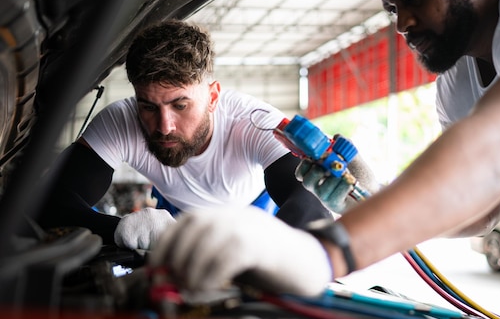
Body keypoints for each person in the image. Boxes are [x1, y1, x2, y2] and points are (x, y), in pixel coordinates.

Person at [149, 0, 500, 319]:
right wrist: (372, 198)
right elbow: (482, 209)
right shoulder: (457, 85)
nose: (403, 23)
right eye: (392, 6)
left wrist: (325, 253)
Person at [34, 19, 362, 250]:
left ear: (213, 96)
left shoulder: (254, 121)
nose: (164, 126)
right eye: (148, 106)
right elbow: (49, 201)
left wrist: (269, 250)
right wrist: (118, 228)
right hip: (173, 214)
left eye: (180, 105)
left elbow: (307, 206)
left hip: (254, 209)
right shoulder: (121, 119)